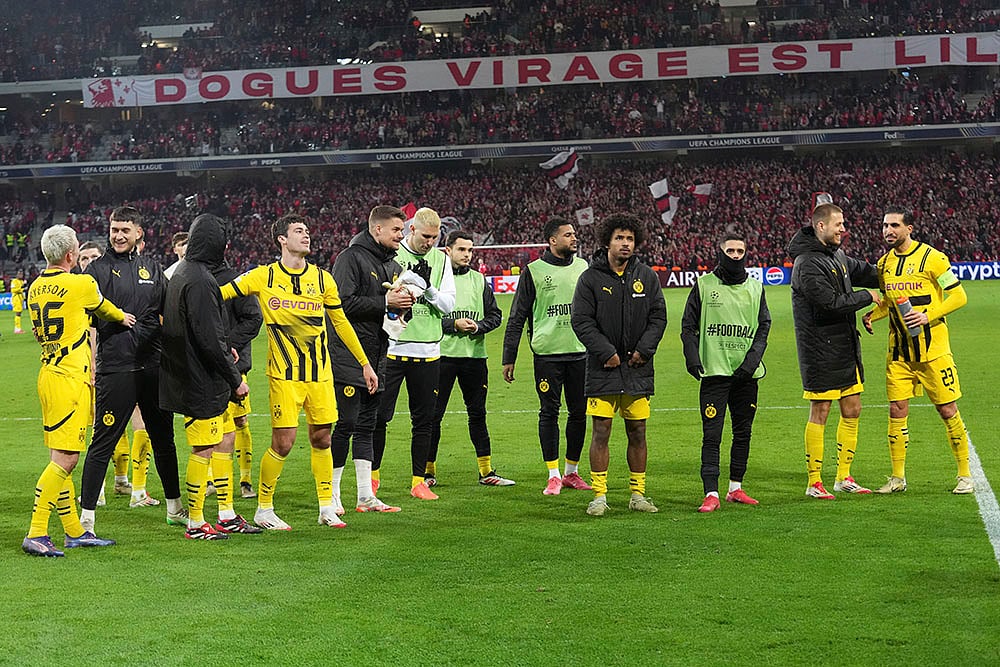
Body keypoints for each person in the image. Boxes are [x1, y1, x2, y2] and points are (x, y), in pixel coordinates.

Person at [219, 213, 377, 530]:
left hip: (320, 376)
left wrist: (364, 363)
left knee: (322, 438)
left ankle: (325, 507)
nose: (306, 235)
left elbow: (341, 323)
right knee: (284, 442)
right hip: (283, 376)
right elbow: (215, 295)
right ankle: (263, 509)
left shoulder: (322, 279)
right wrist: (222, 340)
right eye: (298, 231)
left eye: (307, 230)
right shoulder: (262, 277)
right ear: (281, 239)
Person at [21, 224, 135, 557]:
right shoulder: (81, 283)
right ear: (72, 255)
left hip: (48, 375)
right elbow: (103, 307)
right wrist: (124, 318)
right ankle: (37, 532)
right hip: (70, 380)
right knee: (66, 459)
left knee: (62, 456)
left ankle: (75, 530)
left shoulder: (34, 287)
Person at [79, 206, 186, 532]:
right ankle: (86, 519)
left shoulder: (153, 269)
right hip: (116, 368)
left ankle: (174, 507)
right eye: (114, 230)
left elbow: (171, 316)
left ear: (139, 233)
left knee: (164, 440)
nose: (119, 235)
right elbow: (82, 314)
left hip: (153, 368)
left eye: (125, 230)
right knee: (103, 442)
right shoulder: (96, 271)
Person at [863, 208, 974, 495]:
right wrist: (871, 315)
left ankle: (965, 475)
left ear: (909, 228)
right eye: (885, 225)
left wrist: (928, 315)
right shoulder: (884, 263)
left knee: (947, 409)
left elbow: (959, 296)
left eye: (894, 225)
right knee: (897, 410)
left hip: (933, 352)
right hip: (899, 354)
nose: (888, 230)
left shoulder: (933, 258)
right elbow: (890, 301)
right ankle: (897, 478)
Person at [160, 214, 258, 539]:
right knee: (203, 448)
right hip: (200, 378)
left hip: (193, 374)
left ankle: (227, 514)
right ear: (217, 244)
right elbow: (210, 339)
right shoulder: (201, 280)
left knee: (223, 438)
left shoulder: (182, 273)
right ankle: (196, 521)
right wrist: (235, 379)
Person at [571, 213, 667, 516]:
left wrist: (644, 350)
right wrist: (605, 352)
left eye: (630, 239)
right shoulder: (590, 278)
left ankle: (637, 494)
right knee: (601, 431)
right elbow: (581, 320)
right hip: (604, 368)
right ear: (607, 242)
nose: (625, 244)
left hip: (638, 368)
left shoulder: (647, 277)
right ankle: (599, 495)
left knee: (638, 431)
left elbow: (658, 317)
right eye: (619, 238)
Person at [788, 203, 882, 500]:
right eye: (838, 223)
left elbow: (864, 271)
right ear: (820, 226)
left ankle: (844, 476)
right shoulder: (806, 263)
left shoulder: (836, 255)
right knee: (821, 410)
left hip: (844, 345)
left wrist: (897, 272)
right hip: (819, 348)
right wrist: (867, 296)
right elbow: (829, 303)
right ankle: (814, 481)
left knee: (853, 407)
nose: (843, 228)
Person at [329, 205, 411, 514]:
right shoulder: (350, 259)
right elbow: (341, 304)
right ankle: (333, 495)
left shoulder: (392, 265)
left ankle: (365, 495)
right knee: (347, 423)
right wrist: (384, 300)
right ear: (377, 229)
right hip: (350, 355)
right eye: (396, 230)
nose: (400, 236)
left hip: (378, 353)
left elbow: (389, 310)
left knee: (368, 424)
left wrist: (402, 305)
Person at [681, 234, 771, 512]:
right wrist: (692, 358)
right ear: (719, 252)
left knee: (743, 432)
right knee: (712, 435)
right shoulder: (704, 285)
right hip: (714, 372)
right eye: (730, 250)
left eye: (739, 250)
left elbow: (763, 327)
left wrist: (751, 361)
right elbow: (688, 325)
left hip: (746, 374)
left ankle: (735, 488)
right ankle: (711, 492)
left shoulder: (756, 288)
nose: (735, 254)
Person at [502, 217, 592, 495]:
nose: (574, 238)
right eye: (568, 235)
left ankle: (571, 473)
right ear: (553, 240)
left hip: (580, 353)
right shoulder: (534, 271)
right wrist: (509, 356)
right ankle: (552, 474)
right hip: (547, 354)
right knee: (549, 412)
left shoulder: (583, 267)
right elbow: (518, 315)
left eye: (574, 234)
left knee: (579, 413)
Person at [373, 207, 456, 500]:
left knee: (424, 420)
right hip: (393, 348)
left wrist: (429, 287)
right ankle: (373, 478)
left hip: (428, 350)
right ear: (411, 230)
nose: (430, 242)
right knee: (379, 417)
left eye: (435, 237)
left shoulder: (442, 260)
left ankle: (418, 481)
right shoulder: (392, 255)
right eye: (425, 236)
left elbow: (448, 306)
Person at [428, 230, 514, 487]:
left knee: (477, 414)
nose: (467, 255)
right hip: (442, 357)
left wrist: (477, 327)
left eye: (470, 250)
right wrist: (453, 324)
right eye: (462, 250)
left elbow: (495, 316)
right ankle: (428, 473)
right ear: (448, 251)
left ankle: (486, 472)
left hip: (474, 358)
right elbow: (425, 318)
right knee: (434, 416)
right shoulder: (435, 282)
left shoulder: (479, 280)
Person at [210, 224, 263, 501]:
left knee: (240, 421)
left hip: (235, 365)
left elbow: (254, 318)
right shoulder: (195, 277)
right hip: (206, 366)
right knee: (211, 424)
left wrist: (226, 345)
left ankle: (245, 480)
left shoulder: (236, 280)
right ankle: (212, 480)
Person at [11, 267, 25, 333]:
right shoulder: (14, 281)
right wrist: (21, 288)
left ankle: (18, 328)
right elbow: (13, 290)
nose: (21, 275)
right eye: (19, 274)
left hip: (20, 299)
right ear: (16, 274)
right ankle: (17, 329)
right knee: (18, 313)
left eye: (21, 274)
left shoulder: (21, 281)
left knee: (19, 313)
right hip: (16, 299)